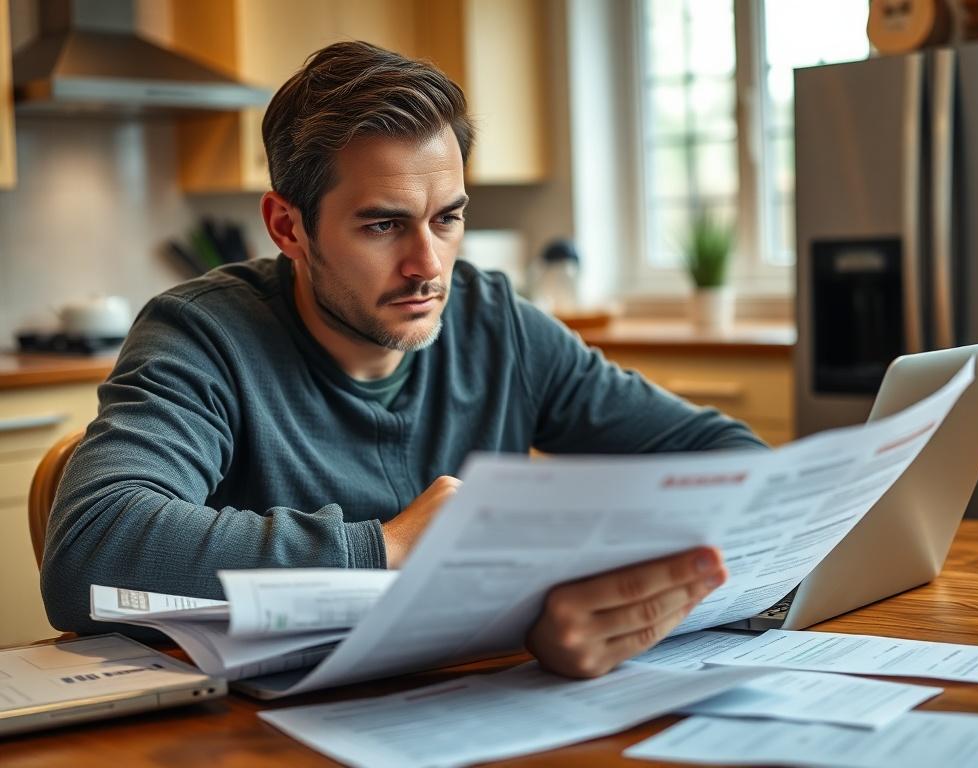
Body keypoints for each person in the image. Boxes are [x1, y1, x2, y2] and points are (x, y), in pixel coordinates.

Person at [41, 41, 766, 679]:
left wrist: (581, 593)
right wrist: (382, 548)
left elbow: (733, 459)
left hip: (480, 707)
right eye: (384, 224)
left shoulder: (497, 324)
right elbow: (91, 546)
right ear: (287, 227)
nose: (428, 266)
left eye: (447, 218)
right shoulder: (203, 336)